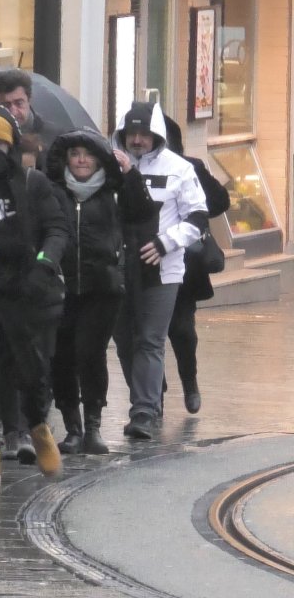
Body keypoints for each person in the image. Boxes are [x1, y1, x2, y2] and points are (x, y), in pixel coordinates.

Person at [0, 107, 68, 484]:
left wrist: (45, 263)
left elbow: (56, 228)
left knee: (32, 370)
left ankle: (37, 428)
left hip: (25, 292)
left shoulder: (33, 184)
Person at [44, 128, 157, 455]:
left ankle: (93, 424)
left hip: (103, 287)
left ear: (99, 158)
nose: (81, 160)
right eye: (75, 153)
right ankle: (72, 428)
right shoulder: (53, 190)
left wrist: (130, 174)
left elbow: (144, 212)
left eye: (88, 153)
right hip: (61, 286)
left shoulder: (114, 191)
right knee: (62, 356)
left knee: (90, 353)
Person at [110, 101, 208, 439]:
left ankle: (144, 411)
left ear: (156, 136)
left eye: (144, 134)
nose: (137, 140)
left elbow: (197, 216)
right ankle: (148, 398)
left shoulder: (178, 168)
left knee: (150, 340)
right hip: (118, 267)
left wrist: (168, 242)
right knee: (123, 340)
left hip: (162, 271)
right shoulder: (108, 165)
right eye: (131, 134)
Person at [162, 117, 230, 415]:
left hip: (184, 266)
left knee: (182, 331)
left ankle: (190, 384)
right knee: (146, 337)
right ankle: (153, 395)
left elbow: (220, 201)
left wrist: (192, 205)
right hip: (145, 262)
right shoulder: (132, 169)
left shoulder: (189, 168)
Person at [0, 69, 64, 165]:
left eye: (19, 103)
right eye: (6, 105)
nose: (13, 112)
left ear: (29, 100)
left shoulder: (55, 137)